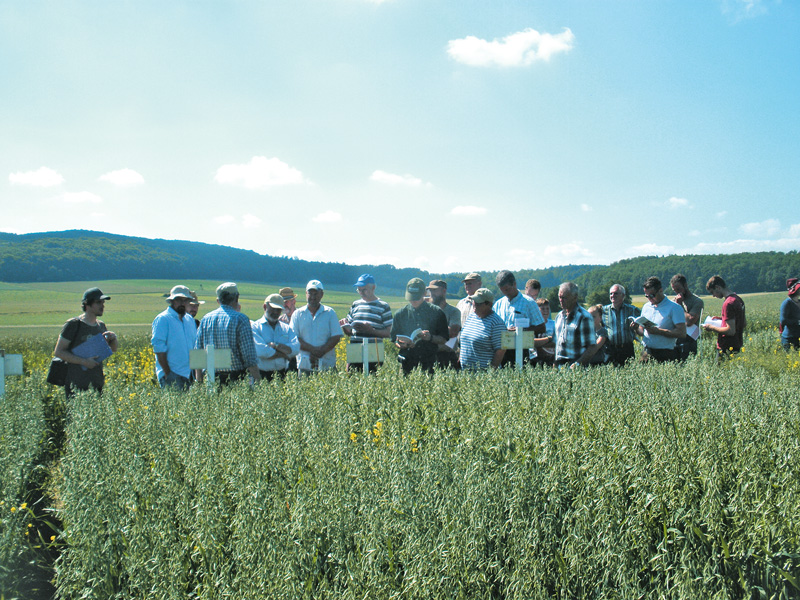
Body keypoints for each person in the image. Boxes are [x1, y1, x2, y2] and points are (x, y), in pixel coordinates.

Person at [53, 287, 119, 397]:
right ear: (87, 304)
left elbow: (113, 349)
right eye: (98, 302)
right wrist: (84, 361)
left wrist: (113, 338)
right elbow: (59, 352)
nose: (102, 306)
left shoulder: (101, 326)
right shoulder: (74, 324)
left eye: (103, 302)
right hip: (76, 384)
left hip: (96, 383)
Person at [195, 282, 261, 385]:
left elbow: (198, 354)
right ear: (236, 298)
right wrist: (258, 381)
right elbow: (249, 357)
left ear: (219, 300)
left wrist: (198, 382)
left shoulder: (205, 319)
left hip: (211, 378)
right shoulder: (240, 319)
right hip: (236, 378)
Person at [391, 278, 449, 375]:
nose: (413, 301)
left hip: (429, 363)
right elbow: (394, 338)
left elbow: (444, 338)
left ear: (424, 294)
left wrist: (430, 337)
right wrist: (400, 344)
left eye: (416, 298)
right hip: (406, 363)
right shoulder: (400, 314)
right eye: (411, 297)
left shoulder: (437, 312)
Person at [341, 274, 392, 372]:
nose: (361, 293)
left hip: (374, 350)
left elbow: (389, 333)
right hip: (355, 348)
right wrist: (345, 327)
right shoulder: (355, 305)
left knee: (373, 380)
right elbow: (350, 332)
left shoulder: (383, 306)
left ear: (373, 288)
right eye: (359, 290)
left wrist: (371, 331)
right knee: (353, 379)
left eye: (364, 290)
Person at [493, 270, 545, 365]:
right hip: (501, 351)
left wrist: (521, 330)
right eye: (502, 290)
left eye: (507, 289)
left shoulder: (529, 303)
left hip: (522, 350)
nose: (505, 293)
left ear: (514, 284)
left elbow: (541, 327)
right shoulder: (498, 304)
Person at [290, 280, 343, 375]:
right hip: (305, 366)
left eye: (316, 294)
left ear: (322, 294)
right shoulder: (297, 314)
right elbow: (294, 338)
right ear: (306, 293)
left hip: (327, 366)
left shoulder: (330, 313)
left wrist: (321, 351)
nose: (313, 297)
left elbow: (336, 336)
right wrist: (313, 350)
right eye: (310, 293)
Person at [151, 285, 197, 390]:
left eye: (185, 300)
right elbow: (159, 349)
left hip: (189, 374)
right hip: (173, 374)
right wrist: (167, 373)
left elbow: (194, 346)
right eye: (179, 300)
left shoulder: (189, 320)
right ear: (172, 301)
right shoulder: (163, 319)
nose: (182, 303)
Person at [632, 276, 686, 363]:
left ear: (660, 290)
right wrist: (636, 328)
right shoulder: (646, 307)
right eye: (647, 296)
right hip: (647, 352)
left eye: (652, 295)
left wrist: (659, 331)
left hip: (666, 353)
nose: (650, 299)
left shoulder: (674, 308)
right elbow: (642, 332)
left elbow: (682, 333)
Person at [251, 293, 300, 381]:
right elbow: (262, 351)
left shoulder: (286, 328)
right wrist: (284, 354)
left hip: (282, 375)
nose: (276, 312)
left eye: (278, 310)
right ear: (265, 307)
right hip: (262, 375)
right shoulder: (255, 327)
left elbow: (296, 348)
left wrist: (275, 346)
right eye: (273, 309)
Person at [459, 288, 506, 370]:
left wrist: (491, 372)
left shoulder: (496, 323)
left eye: (478, 303)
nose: (475, 305)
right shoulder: (471, 317)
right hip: (465, 372)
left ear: (489, 304)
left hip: (483, 375)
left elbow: (500, 351)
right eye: (474, 301)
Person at [553, 282, 596, 368]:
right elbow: (556, 344)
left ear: (575, 297)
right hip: (559, 366)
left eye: (564, 298)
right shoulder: (559, 317)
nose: (561, 300)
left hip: (576, 367)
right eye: (559, 297)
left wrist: (577, 365)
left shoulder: (584, 317)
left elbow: (591, 347)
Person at [703, 275, 746, 357]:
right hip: (737, 344)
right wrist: (723, 319)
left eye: (713, 292)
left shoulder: (728, 303)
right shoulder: (738, 300)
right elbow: (743, 323)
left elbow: (730, 331)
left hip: (726, 347)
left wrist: (711, 327)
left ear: (718, 287)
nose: (713, 295)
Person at [602, 284, 641, 366]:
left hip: (627, 349)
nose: (612, 295)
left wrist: (636, 327)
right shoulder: (603, 311)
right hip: (610, 349)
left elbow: (643, 325)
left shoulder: (632, 310)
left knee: (629, 372)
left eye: (615, 293)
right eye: (611, 293)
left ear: (623, 295)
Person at [427, 279, 461, 369]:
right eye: (430, 290)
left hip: (447, 356)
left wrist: (428, 334)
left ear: (444, 291)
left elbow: (453, 332)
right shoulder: (425, 310)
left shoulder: (453, 311)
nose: (432, 294)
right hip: (427, 356)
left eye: (435, 290)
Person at [670, 274, 704, 360]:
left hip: (689, 342)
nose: (677, 292)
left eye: (679, 289)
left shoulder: (696, 301)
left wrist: (679, 305)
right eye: (674, 290)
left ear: (685, 285)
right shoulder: (673, 302)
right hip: (674, 341)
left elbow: (690, 321)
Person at [278, 287, 298, 370]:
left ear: (294, 301)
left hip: (299, 360)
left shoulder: (302, 317)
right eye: (282, 303)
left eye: (286, 302)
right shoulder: (279, 320)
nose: (284, 305)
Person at [531, 298, 556, 367]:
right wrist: (549, 339)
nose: (546, 311)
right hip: (538, 358)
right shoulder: (533, 325)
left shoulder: (554, 324)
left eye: (547, 309)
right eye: (543, 309)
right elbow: (532, 342)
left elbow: (557, 342)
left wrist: (541, 343)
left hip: (552, 356)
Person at [779, 278, 800, 351]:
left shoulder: (799, 302)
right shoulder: (787, 303)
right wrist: (798, 322)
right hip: (789, 338)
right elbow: (783, 320)